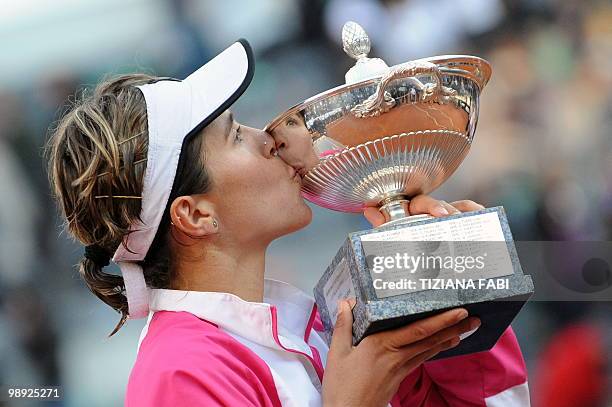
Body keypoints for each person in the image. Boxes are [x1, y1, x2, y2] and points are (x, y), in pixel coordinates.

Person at [46, 40, 529, 406]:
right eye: (236, 134)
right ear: (195, 215)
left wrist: (450, 276)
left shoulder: (307, 324)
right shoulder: (180, 375)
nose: (270, 139)